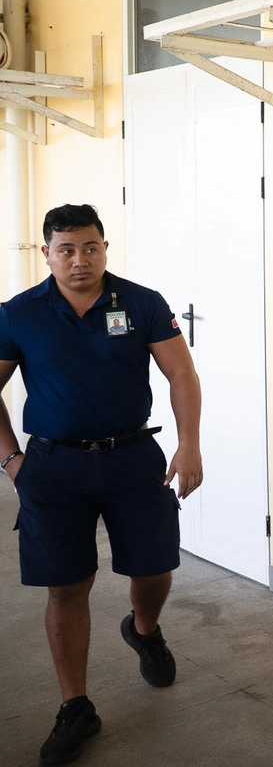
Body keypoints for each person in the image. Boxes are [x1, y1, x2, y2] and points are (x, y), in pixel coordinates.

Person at [0, 204, 203, 765]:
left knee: (154, 566)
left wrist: (189, 444)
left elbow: (180, 372)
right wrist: (12, 461)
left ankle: (143, 628)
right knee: (66, 586)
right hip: (53, 467)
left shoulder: (140, 303)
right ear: (46, 253)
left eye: (90, 247)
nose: (79, 259)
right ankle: (76, 706)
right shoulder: (20, 313)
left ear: (105, 247)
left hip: (133, 459)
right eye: (66, 249)